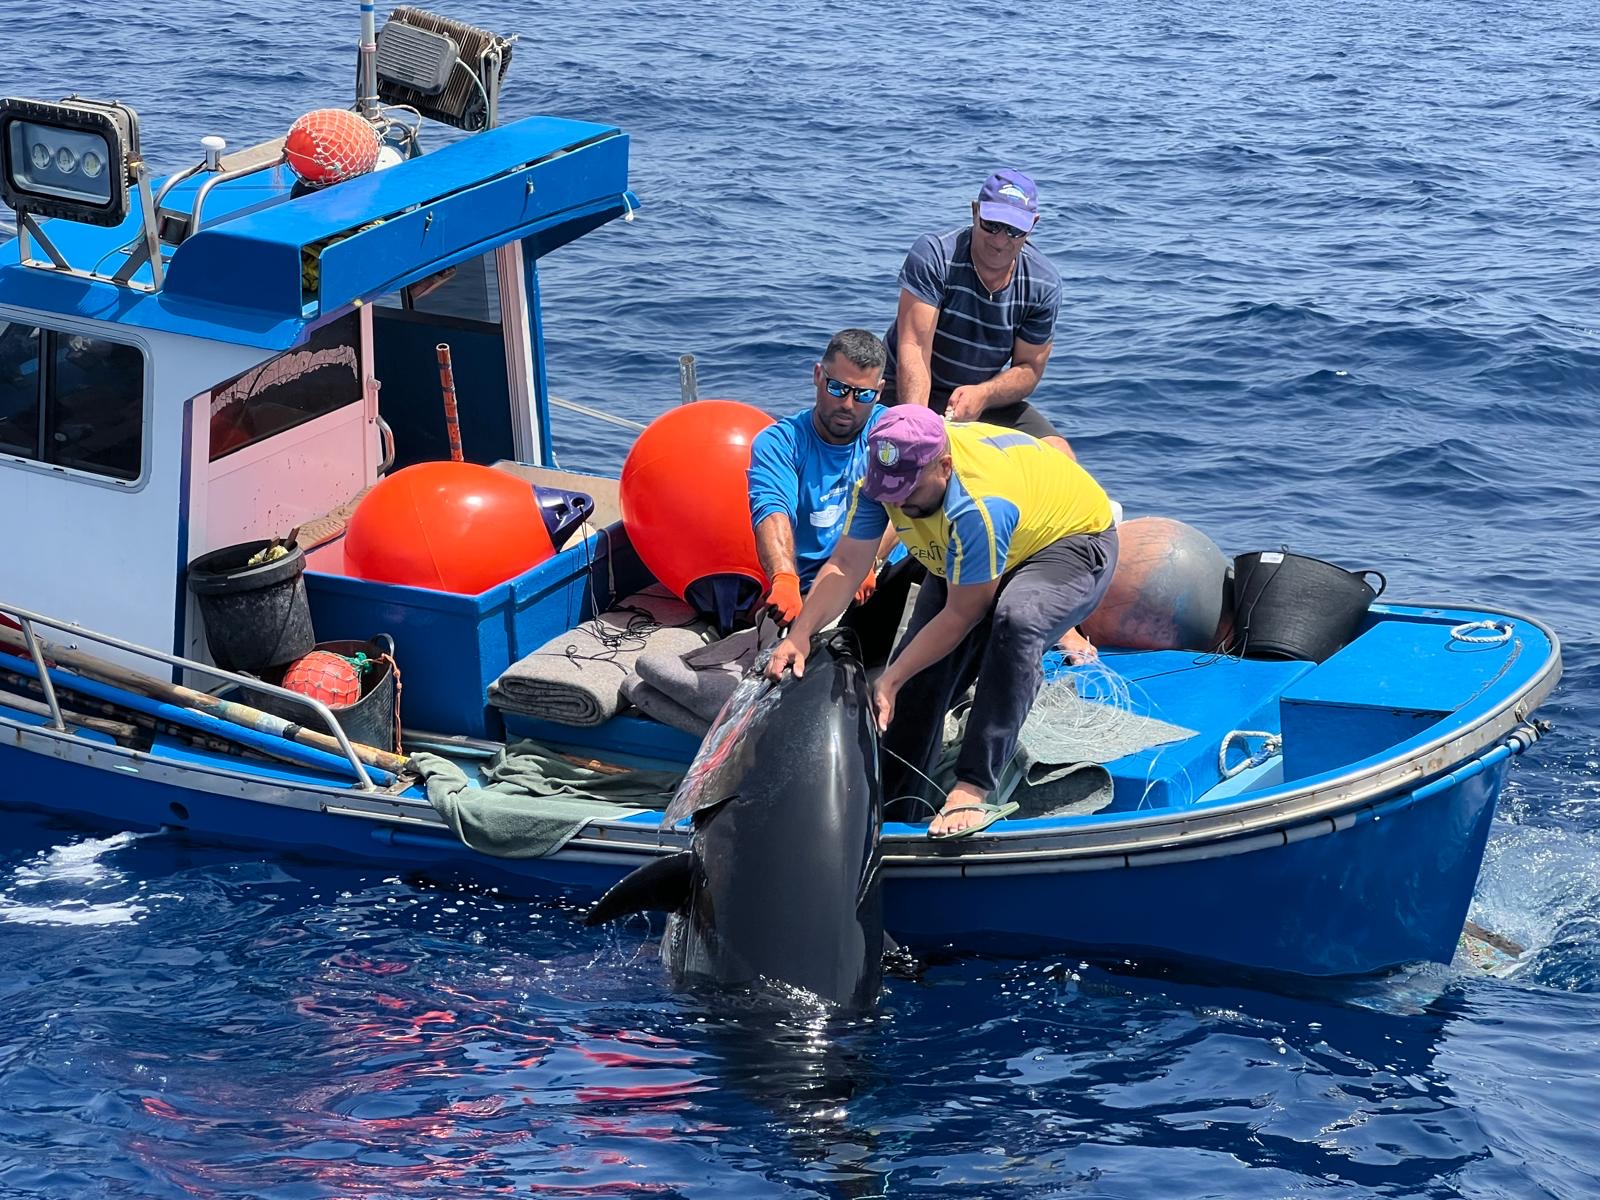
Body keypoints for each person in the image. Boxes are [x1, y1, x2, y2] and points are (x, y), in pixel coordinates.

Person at [766, 406, 1119, 839]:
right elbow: (846, 563)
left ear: (945, 466)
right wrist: (801, 635)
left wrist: (890, 678)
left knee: (1016, 620)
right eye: (888, 494)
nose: (897, 505)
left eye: (908, 494)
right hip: (982, 544)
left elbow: (963, 614)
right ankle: (895, 805)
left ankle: (973, 786)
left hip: (1069, 540)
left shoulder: (980, 506)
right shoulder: (882, 483)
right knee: (919, 678)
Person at [746, 329, 915, 666]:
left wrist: (872, 560)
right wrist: (783, 576)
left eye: (862, 394)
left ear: (880, 392)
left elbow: (907, 505)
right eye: (838, 388)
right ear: (818, 376)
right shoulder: (780, 443)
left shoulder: (892, 433)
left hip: (882, 572)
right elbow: (772, 509)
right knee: (788, 663)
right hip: (812, 586)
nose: (847, 404)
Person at [879, 168, 1071, 454]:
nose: (999, 240)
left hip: (978, 400)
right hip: (904, 390)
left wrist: (984, 394)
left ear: (1033, 225)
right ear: (974, 211)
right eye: (991, 224)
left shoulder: (1043, 284)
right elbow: (914, 349)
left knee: (1059, 453)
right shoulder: (934, 256)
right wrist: (919, 430)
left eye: (1014, 230)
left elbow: (1029, 368)